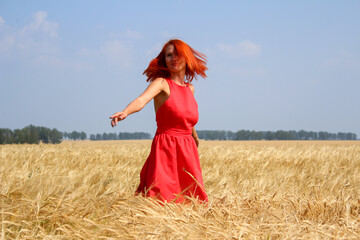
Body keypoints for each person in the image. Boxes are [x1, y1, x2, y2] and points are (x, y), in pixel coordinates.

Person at [110, 39, 208, 203]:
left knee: (190, 199)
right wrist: (125, 112)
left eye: (178, 54)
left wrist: (194, 137)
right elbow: (141, 100)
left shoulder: (190, 89)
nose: (174, 58)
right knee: (161, 197)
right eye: (169, 55)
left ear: (187, 58)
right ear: (165, 60)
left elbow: (186, 118)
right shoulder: (162, 83)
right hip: (166, 148)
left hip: (188, 150)